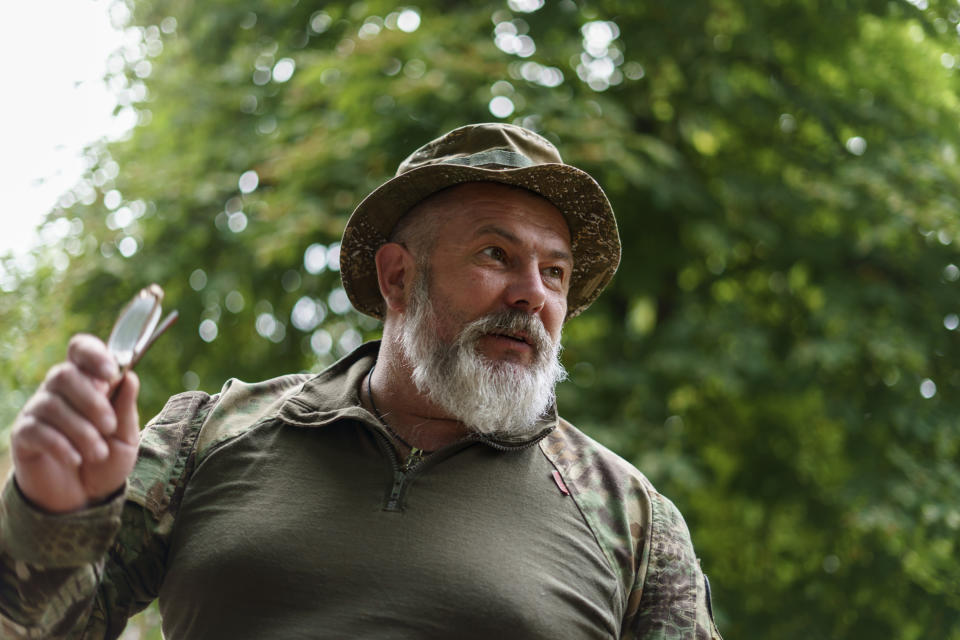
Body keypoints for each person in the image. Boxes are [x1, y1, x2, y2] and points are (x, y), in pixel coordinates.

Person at [0, 123, 722, 639]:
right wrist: (49, 515)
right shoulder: (208, 436)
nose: (532, 293)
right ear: (398, 276)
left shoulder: (632, 522)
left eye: (555, 271)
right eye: (496, 254)